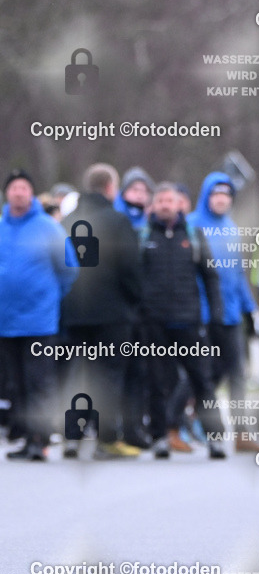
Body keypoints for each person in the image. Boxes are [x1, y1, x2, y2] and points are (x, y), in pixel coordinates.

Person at [60, 163, 144, 459]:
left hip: (73, 311)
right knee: (107, 375)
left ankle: (72, 437)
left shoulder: (67, 220)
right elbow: (130, 269)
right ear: (111, 188)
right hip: (111, 313)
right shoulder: (118, 222)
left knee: (77, 374)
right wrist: (135, 301)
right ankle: (106, 439)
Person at [140, 183, 228, 459]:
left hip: (189, 321)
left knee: (202, 381)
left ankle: (215, 439)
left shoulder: (194, 235)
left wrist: (216, 313)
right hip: (154, 322)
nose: (166, 205)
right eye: (161, 200)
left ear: (180, 204)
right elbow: (133, 280)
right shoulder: (143, 237)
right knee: (157, 383)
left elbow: (211, 277)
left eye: (171, 200)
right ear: (153, 205)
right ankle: (160, 437)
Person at [0, 169, 78, 460]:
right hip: (6, 323)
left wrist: (49, 296)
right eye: (14, 187)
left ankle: (41, 439)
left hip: (38, 322)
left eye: (24, 187)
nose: (19, 192)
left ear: (31, 194)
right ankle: (26, 436)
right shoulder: (2, 228)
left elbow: (69, 267)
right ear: (7, 193)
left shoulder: (48, 227)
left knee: (39, 383)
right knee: (15, 384)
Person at [188, 172, 259, 451]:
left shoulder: (231, 228)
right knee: (203, 375)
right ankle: (178, 421)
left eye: (226, 195)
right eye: (216, 195)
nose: (221, 200)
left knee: (237, 373)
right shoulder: (192, 225)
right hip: (203, 315)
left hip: (230, 315)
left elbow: (238, 274)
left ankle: (242, 433)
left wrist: (249, 309)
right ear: (207, 197)